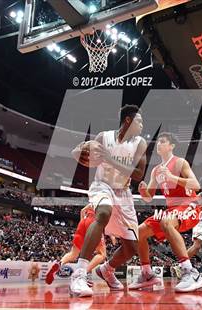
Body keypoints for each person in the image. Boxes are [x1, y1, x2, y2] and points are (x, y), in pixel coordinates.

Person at [69, 105, 147, 297]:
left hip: (124, 193)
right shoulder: (103, 137)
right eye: (139, 120)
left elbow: (138, 174)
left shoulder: (140, 143)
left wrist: (109, 159)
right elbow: (76, 153)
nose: (142, 124)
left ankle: (106, 269)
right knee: (103, 213)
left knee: (131, 248)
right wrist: (81, 150)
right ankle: (79, 274)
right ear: (127, 120)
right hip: (102, 186)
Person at [129, 132, 202, 292]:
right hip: (172, 210)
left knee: (166, 221)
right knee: (138, 233)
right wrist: (143, 192)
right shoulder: (156, 170)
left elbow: (196, 185)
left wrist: (172, 177)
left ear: (171, 146)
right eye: (158, 142)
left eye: (163, 142)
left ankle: (190, 272)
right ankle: (147, 274)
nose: (159, 144)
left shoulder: (180, 163)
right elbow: (149, 197)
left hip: (189, 205)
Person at [45, 204, 106, 285]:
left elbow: (82, 211)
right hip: (93, 222)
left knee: (73, 254)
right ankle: (82, 274)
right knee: (102, 254)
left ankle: (60, 263)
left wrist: (83, 224)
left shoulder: (92, 201)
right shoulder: (104, 199)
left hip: (83, 222)